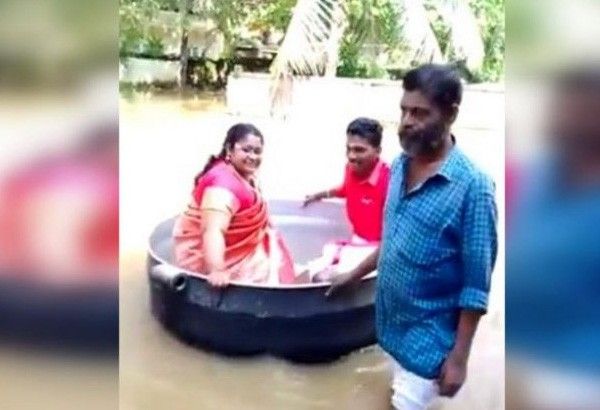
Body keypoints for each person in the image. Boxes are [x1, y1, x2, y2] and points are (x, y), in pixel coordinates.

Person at [327, 65, 498, 409]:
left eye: (420, 113)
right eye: (404, 110)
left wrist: (460, 359)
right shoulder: (401, 166)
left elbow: (476, 284)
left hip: (431, 344)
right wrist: (352, 276)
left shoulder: (473, 188)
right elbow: (393, 241)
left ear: (450, 114)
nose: (406, 121)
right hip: (392, 331)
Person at [172, 123, 301, 287]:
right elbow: (212, 230)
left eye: (257, 151)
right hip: (213, 257)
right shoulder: (222, 184)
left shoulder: (243, 175)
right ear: (229, 149)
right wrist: (216, 269)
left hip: (244, 250)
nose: (252, 156)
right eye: (246, 150)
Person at [302, 117, 390, 279]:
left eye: (359, 150)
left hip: (376, 251)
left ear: (377, 151)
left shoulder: (389, 181)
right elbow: (345, 189)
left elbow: (393, 237)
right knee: (309, 272)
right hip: (355, 243)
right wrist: (318, 195)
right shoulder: (351, 169)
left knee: (323, 279)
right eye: (348, 149)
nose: (351, 156)